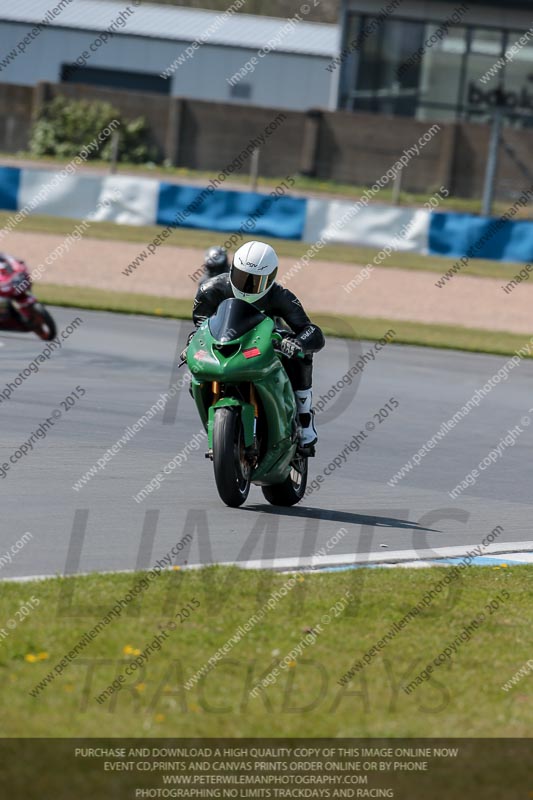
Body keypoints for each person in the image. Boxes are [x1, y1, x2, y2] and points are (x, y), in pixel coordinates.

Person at [189, 240, 325, 449]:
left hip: (264, 344)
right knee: (196, 370)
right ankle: (215, 423)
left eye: (256, 281)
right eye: (242, 277)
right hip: (228, 343)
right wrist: (194, 340)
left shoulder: (280, 295)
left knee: (300, 357)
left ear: (270, 279)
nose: (248, 286)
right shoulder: (211, 289)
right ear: (232, 270)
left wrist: (296, 343)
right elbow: (200, 325)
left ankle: (304, 415)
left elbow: (311, 331)